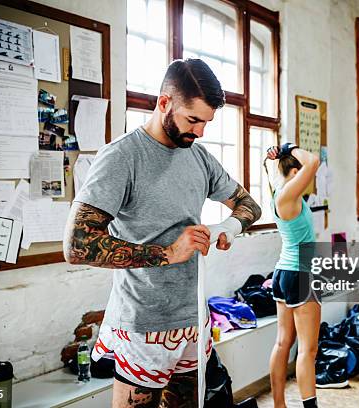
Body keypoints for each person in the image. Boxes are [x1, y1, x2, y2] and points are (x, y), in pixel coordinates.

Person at [63, 58, 261, 408]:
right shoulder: (122, 156)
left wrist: (225, 228)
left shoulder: (199, 158)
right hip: (142, 322)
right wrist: (168, 253)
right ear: (164, 103)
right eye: (193, 119)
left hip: (192, 318)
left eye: (206, 122)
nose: (200, 132)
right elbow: (77, 244)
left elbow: (250, 206)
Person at [265, 143, 322, 408]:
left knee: (282, 342)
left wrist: (275, 155)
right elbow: (313, 162)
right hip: (299, 275)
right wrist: (290, 146)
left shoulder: (280, 192)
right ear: (296, 172)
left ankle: (279, 404)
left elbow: (270, 164)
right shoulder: (287, 195)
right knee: (308, 350)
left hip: (283, 273)